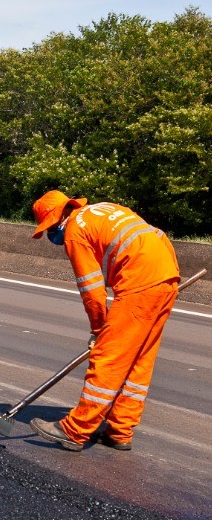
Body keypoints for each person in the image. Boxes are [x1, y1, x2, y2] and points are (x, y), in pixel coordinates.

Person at [29, 190, 180, 452]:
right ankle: (120, 430)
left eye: (51, 228)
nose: (53, 235)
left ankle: (75, 431)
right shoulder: (104, 208)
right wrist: (167, 275)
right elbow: (156, 233)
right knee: (139, 359)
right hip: (166, 275)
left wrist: (98, 329)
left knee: (108, 357)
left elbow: (91, 288)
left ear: (60, 217)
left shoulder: (75, 230)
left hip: (140, 283)